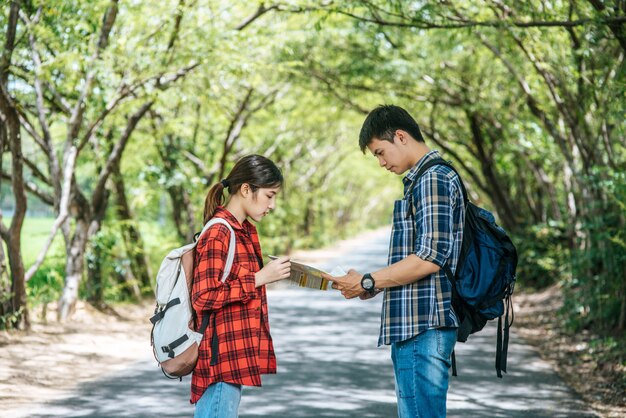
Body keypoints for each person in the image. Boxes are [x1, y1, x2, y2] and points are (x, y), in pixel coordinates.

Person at [322, 105, 465, 418]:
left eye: (380, 152)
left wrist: (368, 280)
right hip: (416, 327)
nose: (381, 162)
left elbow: (429, 257)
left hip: (423, 327)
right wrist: (368, 285)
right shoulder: (424, 179)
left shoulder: (433, 179)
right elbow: (416, 258)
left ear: (401, 136)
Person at [191, 154, 291, 418]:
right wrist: (258, 278)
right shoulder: (220, 232)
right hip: (219, 358)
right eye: (269, 195)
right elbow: (202, 296)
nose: (273, 205)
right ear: (246, 189)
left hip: (231, 354)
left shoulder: (242, 230)